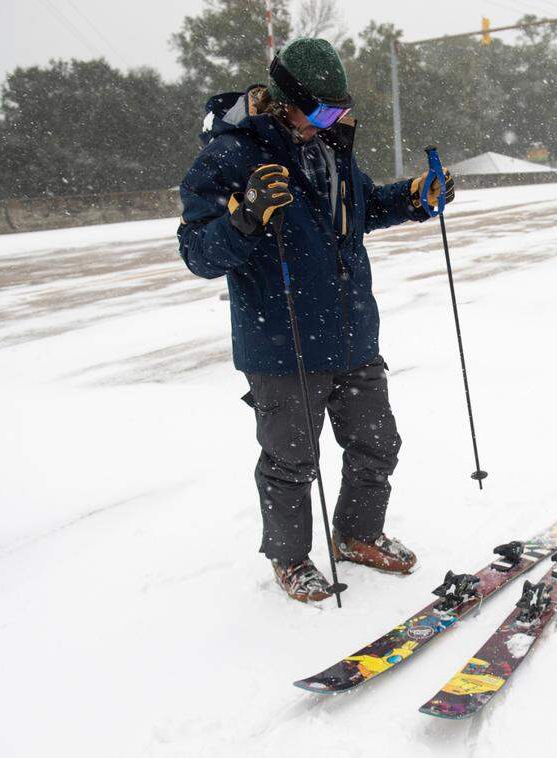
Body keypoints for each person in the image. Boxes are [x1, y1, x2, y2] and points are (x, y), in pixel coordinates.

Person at [177, 37, 454, 603]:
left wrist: (416, 198)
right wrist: (245, 217)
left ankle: (356, 534)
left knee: (379, 442)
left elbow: (364, 208)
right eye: (322, 111)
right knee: (291, 461)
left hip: (352, 330)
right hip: (283, 343)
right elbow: (198, 253)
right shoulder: (231, 156)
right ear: (285, 101)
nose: (333, 121)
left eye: (340, 109)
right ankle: (290, 558)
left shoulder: (330, 145)